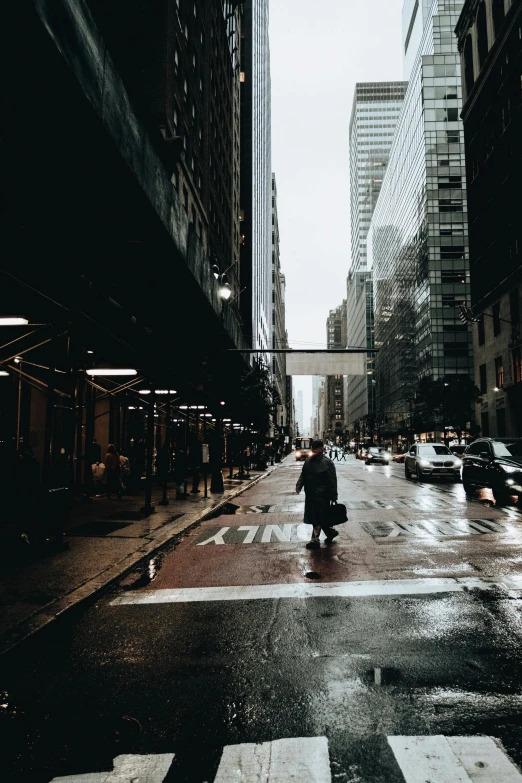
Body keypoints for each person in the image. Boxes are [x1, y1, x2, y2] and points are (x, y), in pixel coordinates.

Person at [296, 439, 339, 549]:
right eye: (313, 448)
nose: (314, 450)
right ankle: (330, 532)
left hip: (323, 496)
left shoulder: (327, 462)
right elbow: (303, 474)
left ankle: (315, 540)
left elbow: (332, 480)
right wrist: (299, 485)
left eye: (316, 448)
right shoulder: (308, 461)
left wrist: (334, 495)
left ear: (320, 449)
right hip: (310, 494)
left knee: (318, 517)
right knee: (318, 517)